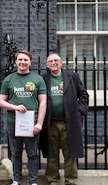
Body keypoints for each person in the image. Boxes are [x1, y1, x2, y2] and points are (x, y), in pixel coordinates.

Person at [0, 50, 47, 185]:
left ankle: (33, 181)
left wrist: (39, 123)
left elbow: (43, 102)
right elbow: (1, 101)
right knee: (15, 153)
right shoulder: (9, 79)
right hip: (13, 121)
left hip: (32, 122)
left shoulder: (38, 79)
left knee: (32, 153)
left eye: (25, 60)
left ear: (30, 62)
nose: (22, 62)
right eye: (20, 60)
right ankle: (16, 180)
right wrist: (15, 107)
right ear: (16, 62)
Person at [40, 53, 89, 185]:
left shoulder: (72, 77)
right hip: (51, 124)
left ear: (61, 63)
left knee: (70, 154)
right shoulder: (43, 79)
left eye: (56, 60)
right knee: (51, 154)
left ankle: (70, 181)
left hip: (69, 123)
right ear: (47, 64)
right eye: (50, 61)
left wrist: (79, 111)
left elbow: (84, 95)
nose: (53, 63)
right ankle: (53, 180)